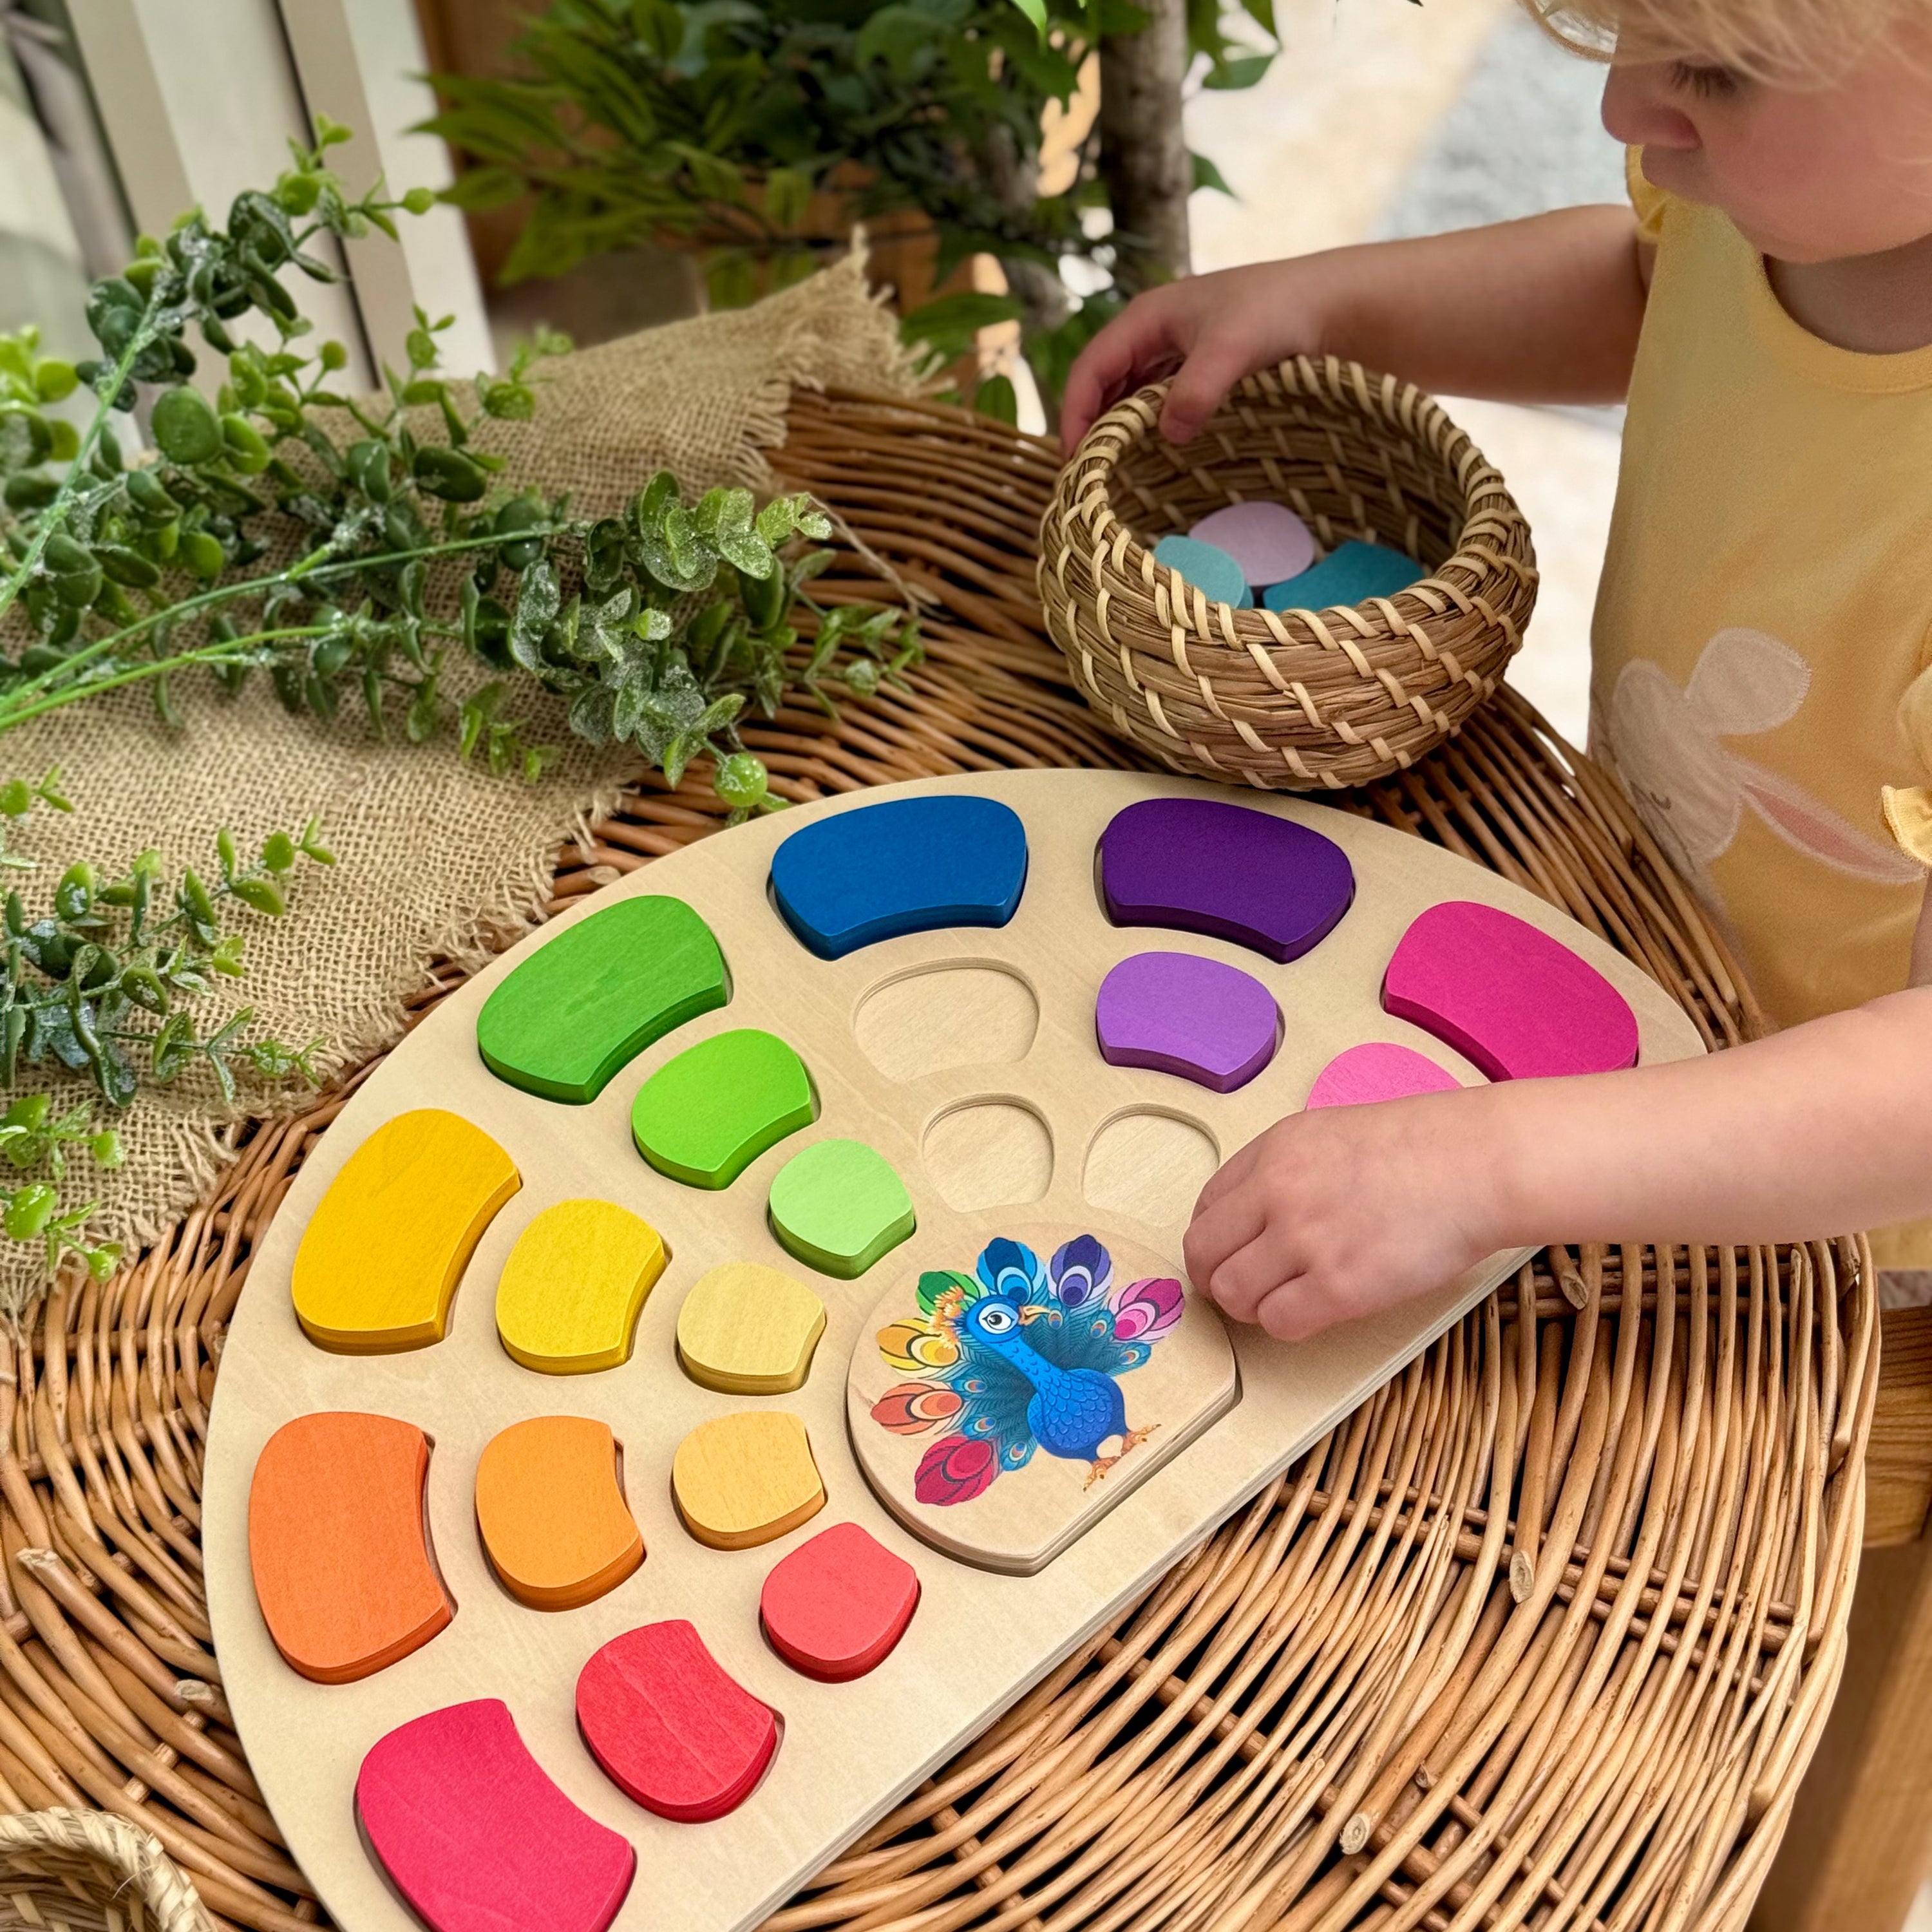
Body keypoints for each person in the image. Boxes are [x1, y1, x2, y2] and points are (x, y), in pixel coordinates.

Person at [1058, 0, 1932, 1341]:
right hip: (1652, 972)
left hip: (1857, 1265)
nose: (1625, 112)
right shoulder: (1793, 202)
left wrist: (1488, 1167)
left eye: (1713, 72)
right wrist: (1332, 305)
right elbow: (1652, 287)